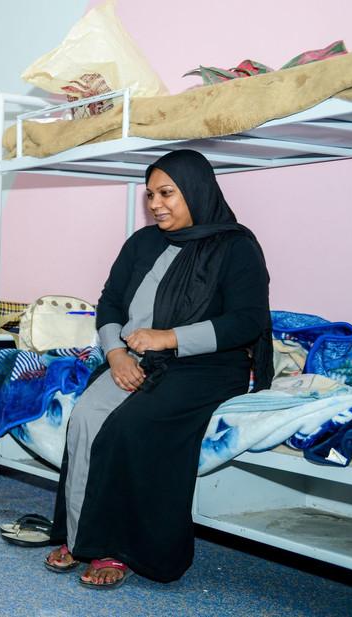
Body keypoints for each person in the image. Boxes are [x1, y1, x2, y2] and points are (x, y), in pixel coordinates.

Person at [44, 149, 273, 589]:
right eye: (150, 195)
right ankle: (80, 536)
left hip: (206, 366)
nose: (156, 204)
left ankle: (120, 548)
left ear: (195, 191)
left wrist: (169, 337)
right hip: (135, 358)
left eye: (166, 193)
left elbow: (248, 321)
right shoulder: (142, 243)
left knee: (130, 426)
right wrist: (115, 353)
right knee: (85, 417)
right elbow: (110, 303)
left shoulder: (235, 247)